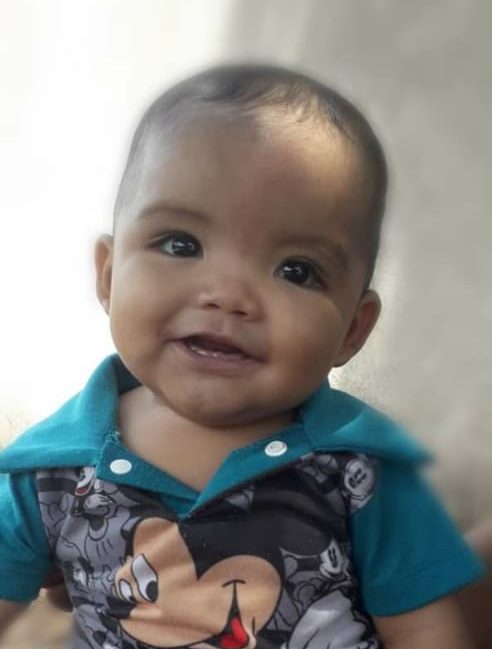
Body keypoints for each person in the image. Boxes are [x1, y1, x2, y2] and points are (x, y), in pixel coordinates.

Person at [0, 65, 483, 648]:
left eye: (296, 271)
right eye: (181, 244)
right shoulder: (47, 473)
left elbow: (427, 630)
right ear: (108, 276)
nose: (227, 295)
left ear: (352, 330)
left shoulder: (363, 469)